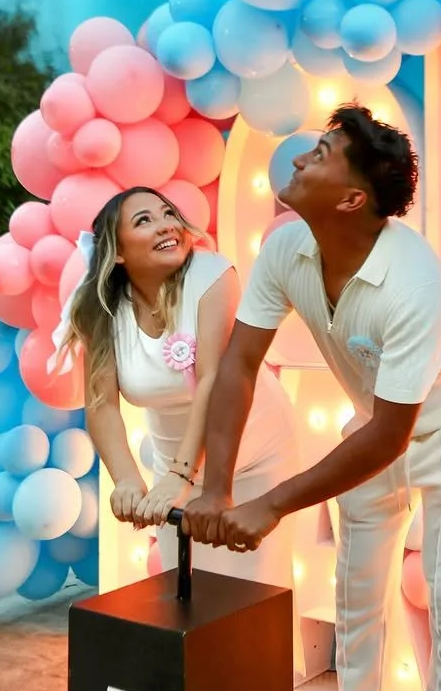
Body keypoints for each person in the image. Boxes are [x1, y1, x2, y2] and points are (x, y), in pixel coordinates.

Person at [184, 106, 441, 691]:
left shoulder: (412, 281)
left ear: (354, 198)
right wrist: (216, 488)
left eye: (321, 154)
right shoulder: (286, 246)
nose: (299, 158)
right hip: (374, 421)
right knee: (357, 604)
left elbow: (394, 437)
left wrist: (271, 504)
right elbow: (240, 364)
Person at [55, 186, 299, 590]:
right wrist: (127, 479)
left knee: (258, 598)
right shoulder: (101, 309)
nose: (166, 225)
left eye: (168, 213)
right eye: (144, 220)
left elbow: (212, 382)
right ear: (118, 252)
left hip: (256, 456)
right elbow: (102, 403)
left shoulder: (212, 275)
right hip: (173, 467)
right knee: (185, 596)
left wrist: (181, 476)